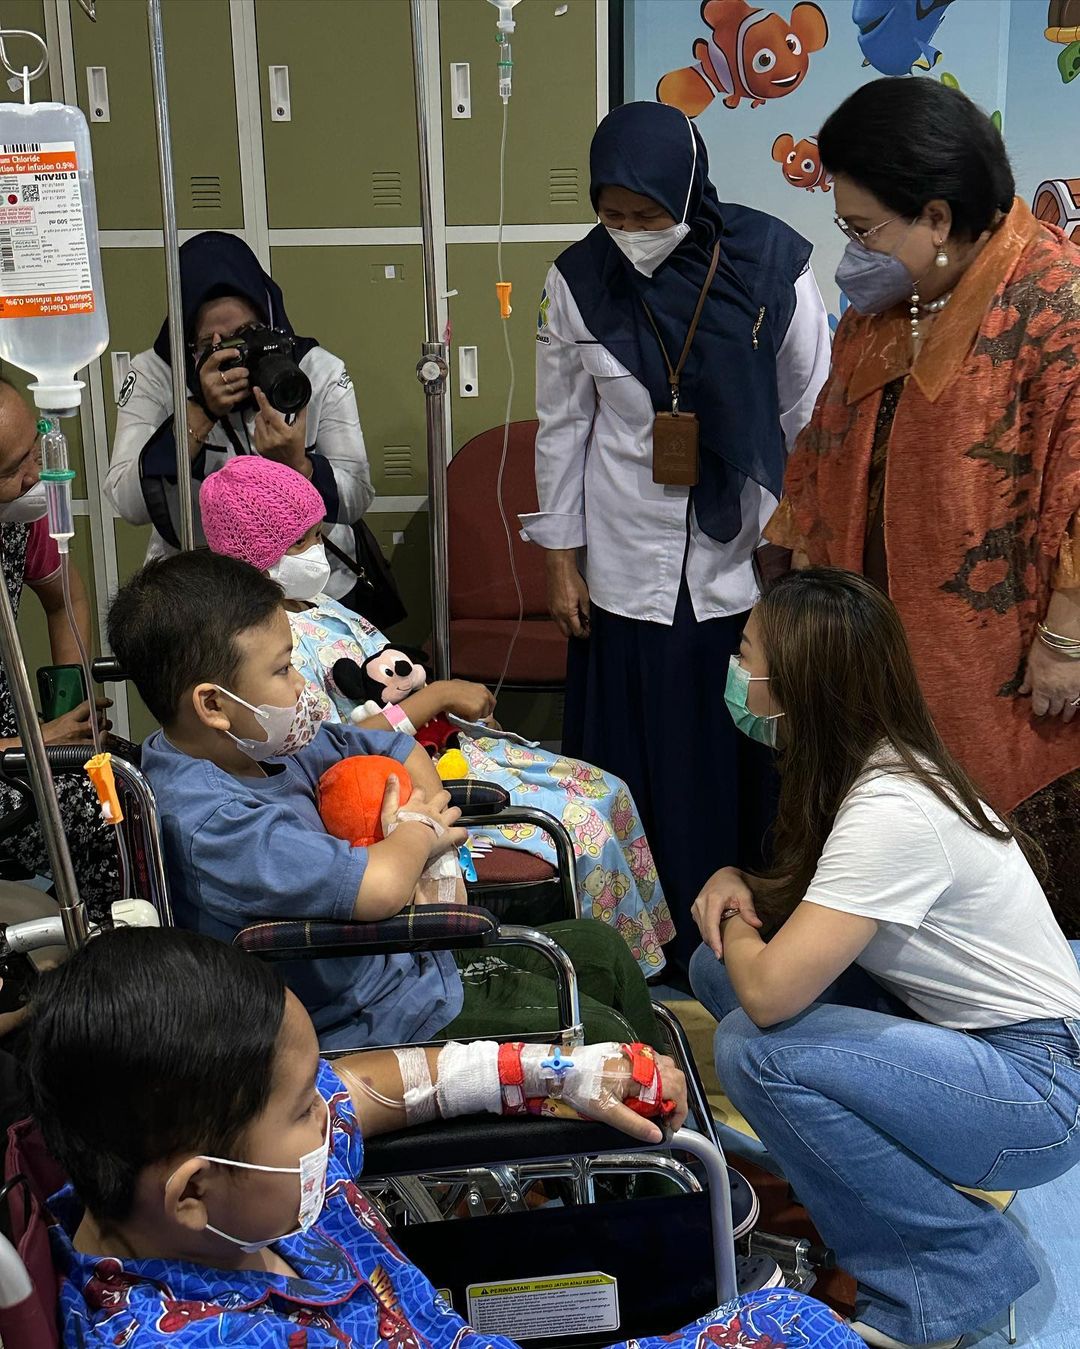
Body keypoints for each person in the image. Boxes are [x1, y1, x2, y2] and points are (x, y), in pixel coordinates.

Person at [33, 927, 859, 1349]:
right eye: (300, 1109)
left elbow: (361, 1084)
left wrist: (551, 1072)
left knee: (789, 1320)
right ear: (191, 1190)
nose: (329, 1112)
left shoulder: (235, 1182)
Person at [687, 568, 1080, 1349]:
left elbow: (767, 993)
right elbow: (793, 920)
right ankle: (881, 1191)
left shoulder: (892, 808)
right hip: (982, 1044)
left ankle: (949, 1271)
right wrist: (740, 893)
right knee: (712, 973)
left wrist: (729, 900)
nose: (736, 668)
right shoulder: (870, 769)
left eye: (746, 651)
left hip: (1038, 1089)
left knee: (754, 1044)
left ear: (799, 679)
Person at [106, 550, 659, 1051]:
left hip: (404, 964)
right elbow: (378, 888)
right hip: (364, 1019)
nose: (301, 685)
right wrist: (419, 828)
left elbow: (394, 744)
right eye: (281, 669)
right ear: (213, 705)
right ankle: (647, 1142)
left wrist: (416, 812)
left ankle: (664, 1123)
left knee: (600, 947)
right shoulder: (215, 819)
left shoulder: (266, 745)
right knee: (604, 1034)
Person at [522, 101, 831, 977]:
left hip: (749, 563)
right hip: (625, 563)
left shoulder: (773, 262)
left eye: (648, 215)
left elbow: (813, 412)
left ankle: (752, 936)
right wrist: (560, 556)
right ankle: (638, 952)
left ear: (689, 190)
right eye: (611, 216)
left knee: (744, 759)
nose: (630, 234)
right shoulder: (578, 279)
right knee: (638, 760)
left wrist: (805, 549)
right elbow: (562, 427)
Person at [765, 79, 1080, 934]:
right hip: (880, 636)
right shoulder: (889, 302)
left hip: (1007, 665)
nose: (851, 251)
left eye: (864, 229)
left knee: (999, 879)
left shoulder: (1054, 300)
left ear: (937, 217)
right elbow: (825, 440)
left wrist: (1065, 637)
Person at [199, 454, 675, 974]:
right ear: (254, 558)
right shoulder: (272, 645)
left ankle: (642, 967)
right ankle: (594, 975)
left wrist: (461, 724)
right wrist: (439, 696)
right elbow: (332, 740)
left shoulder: (325, 609)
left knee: (610, 790)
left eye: (318, 535)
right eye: (300, 543)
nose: (317, 552)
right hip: (408, 785)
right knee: (583, 826)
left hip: (445, 748)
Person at [104, 230, 373, 599]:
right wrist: (200, 412)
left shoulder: (315, 369)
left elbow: (357, 494)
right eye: (211, 344)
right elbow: (128, 503)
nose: (234, 355)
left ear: (270, 318)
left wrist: (298, 466)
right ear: (186, 340)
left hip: (310, 587)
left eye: (248, 334)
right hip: (201, 590)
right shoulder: (157, 374)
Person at [0, 379, 120, 922]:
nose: (32, 478)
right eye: (10, 471)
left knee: (117, 793)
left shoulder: (20, 517)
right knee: (99, 819)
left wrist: (68, 711)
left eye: (33, 451)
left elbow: (65, 597)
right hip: (13, 754)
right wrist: (29, 741)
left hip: (21, 742)